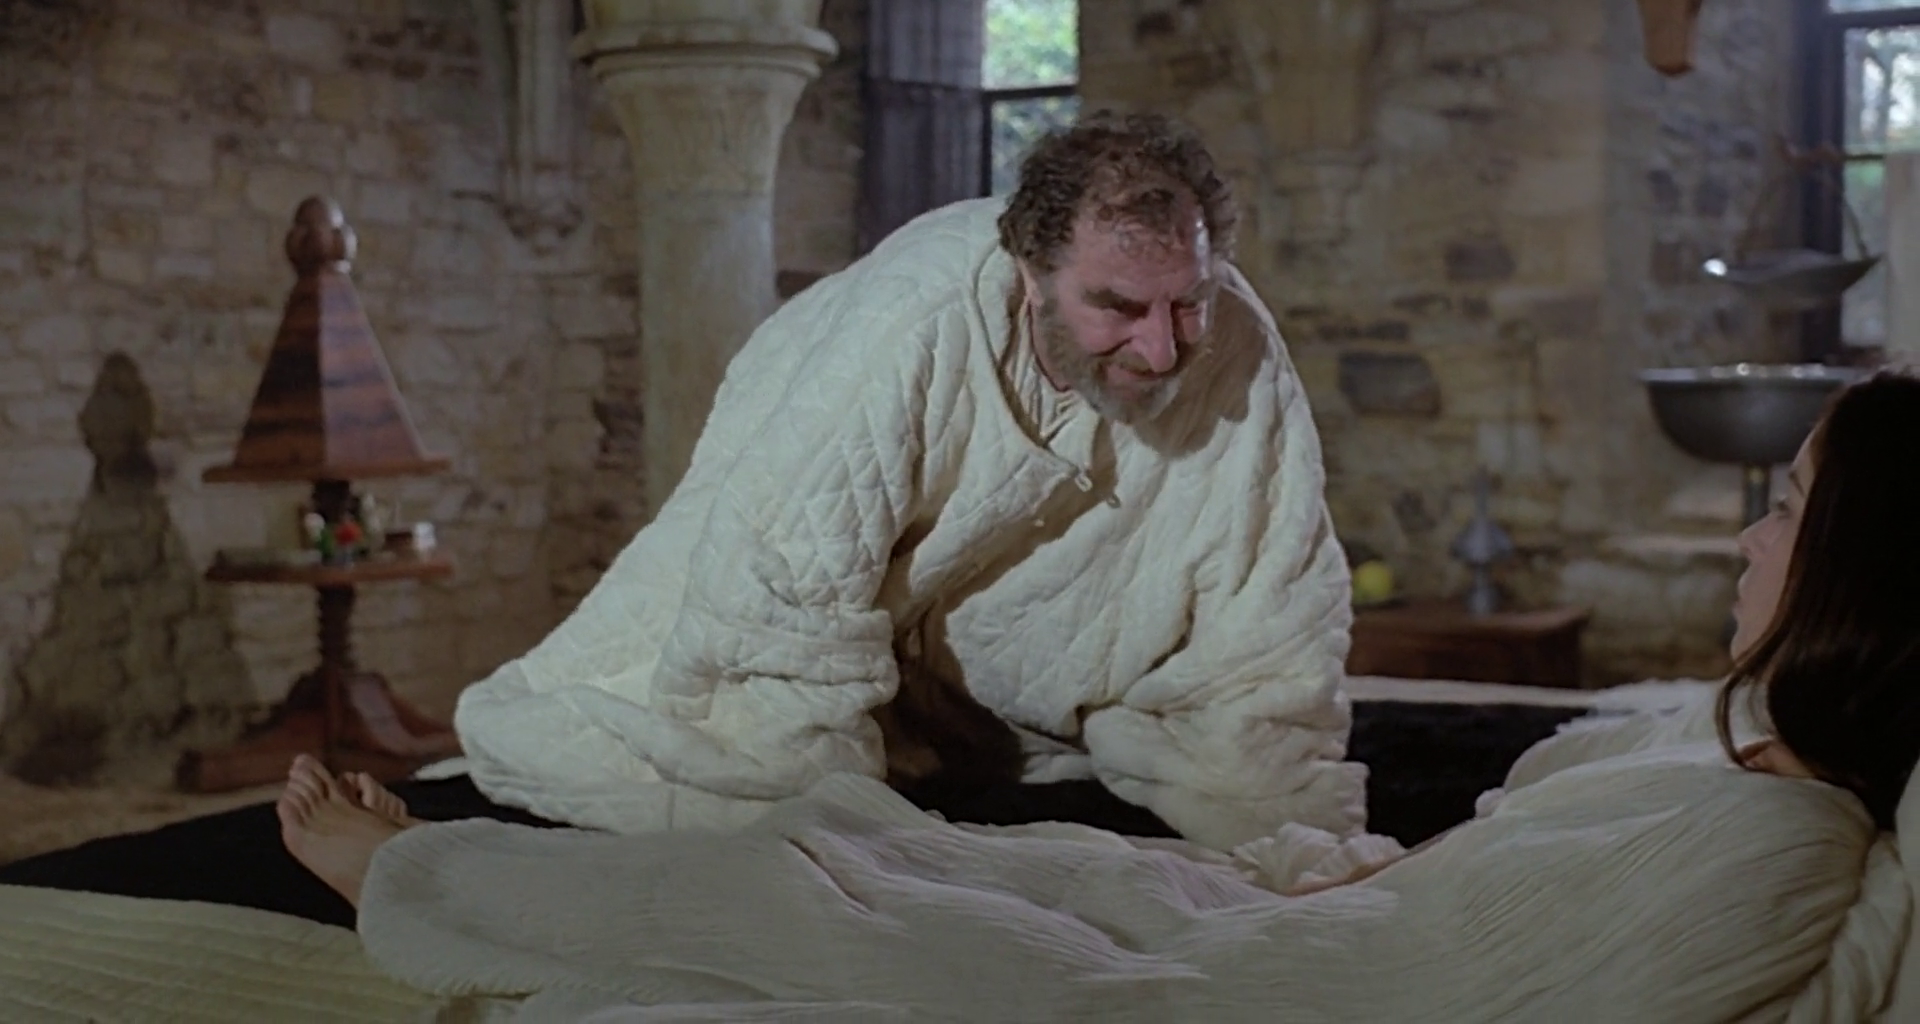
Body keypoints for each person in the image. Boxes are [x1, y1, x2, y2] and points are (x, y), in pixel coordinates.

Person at [272, 371, 1920, 1023]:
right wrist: (1291, 875)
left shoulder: (1776, 846)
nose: (1750, 533)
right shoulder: (1723, 754)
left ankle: (416, 880)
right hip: (1278, 928)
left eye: (1787, 507)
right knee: (877, 836)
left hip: (1252, 997)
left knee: (817, 902)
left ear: (1864, 569)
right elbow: (1475, 893)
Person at [446, 110, 1366, 851]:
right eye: (1117, 306)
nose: (1161, 349)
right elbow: (783, 587)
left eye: (1187, 303)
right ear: (1031, 274)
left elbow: (1274, 588)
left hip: (991, 646)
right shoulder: (911, 322)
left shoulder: (1232, 339)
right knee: (697, 773)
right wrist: (842, 814)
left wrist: (1277, 807)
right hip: (805, 556)